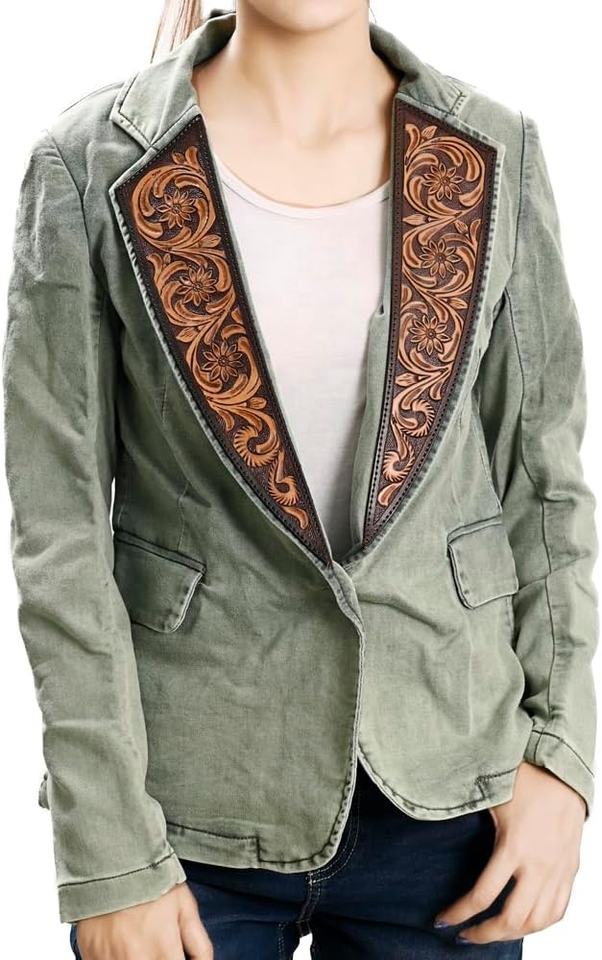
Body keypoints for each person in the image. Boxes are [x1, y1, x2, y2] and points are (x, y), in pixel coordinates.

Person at [3, 1, 598, 958]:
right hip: (185, 814)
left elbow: (545, 483)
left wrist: (561, 760)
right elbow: (58, 536)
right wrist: (108, 850)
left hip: (455, 793)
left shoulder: (495, 152)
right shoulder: (89, 165)